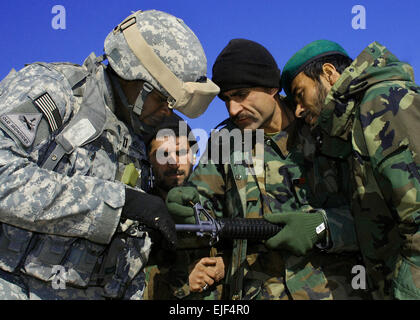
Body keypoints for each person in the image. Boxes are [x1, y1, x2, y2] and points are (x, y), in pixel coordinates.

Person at [0, 9, 218, 300]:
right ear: (135, 77)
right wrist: (120, 202)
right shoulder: (55, 91)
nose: (168, 112)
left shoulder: (135, 140)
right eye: (162, 98)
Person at [166, 39, 364, 300]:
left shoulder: (323, 125)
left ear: (272, 88)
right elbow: (201, 203)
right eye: (226, 100)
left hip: (336, 290)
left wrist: (323, 226)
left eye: (241, 95)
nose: (233, 109)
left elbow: (376, 213)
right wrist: (186, 207)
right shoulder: (225, 141)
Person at [280, 39, 420, 299]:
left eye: (300, 95)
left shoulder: (381, 104)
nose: (298, 110)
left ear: (329, 74)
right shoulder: (352, 126)